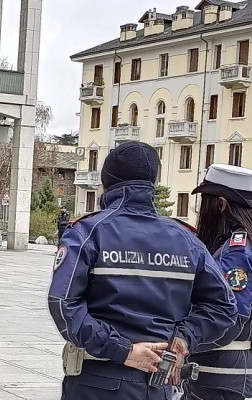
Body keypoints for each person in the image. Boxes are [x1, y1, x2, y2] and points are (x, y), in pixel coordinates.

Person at [47, 142, 238, 400]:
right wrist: (183, 340)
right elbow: (225, 307)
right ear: (152, 183)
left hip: (98, 382)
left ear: (107, 183)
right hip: (160, 383)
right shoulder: (186, 240)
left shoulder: (87, 233)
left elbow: (62, 303)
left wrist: (122, 350)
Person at [185, 164, 252, 400]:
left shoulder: (236, 252)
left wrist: (181, 340)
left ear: (221, 205)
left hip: (221, 378)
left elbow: (230, 318)